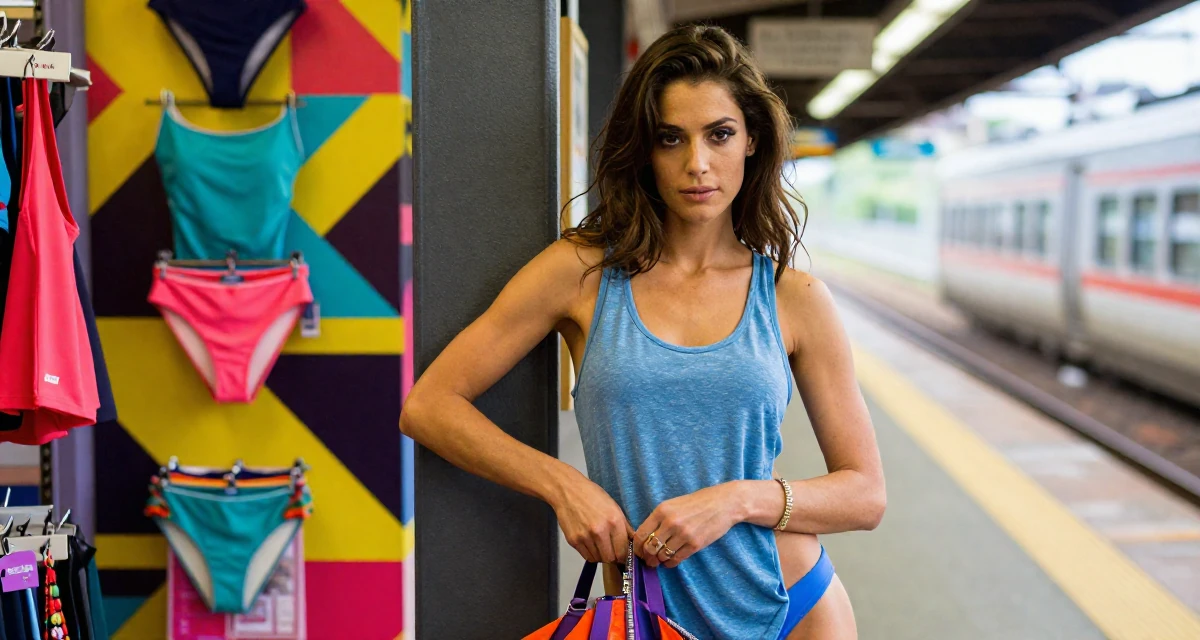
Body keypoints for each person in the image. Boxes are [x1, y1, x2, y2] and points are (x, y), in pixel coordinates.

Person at [400, 24, 885, 640]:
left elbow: (865, 494)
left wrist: (738, 500)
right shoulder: (583, 272)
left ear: (752, 142)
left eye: (720, 135)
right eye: (670, 139)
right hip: (647, 619)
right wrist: (563, 485)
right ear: (644, 151)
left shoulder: (795, 297)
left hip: (795, 605)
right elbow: (429, 406)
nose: (697, 164)